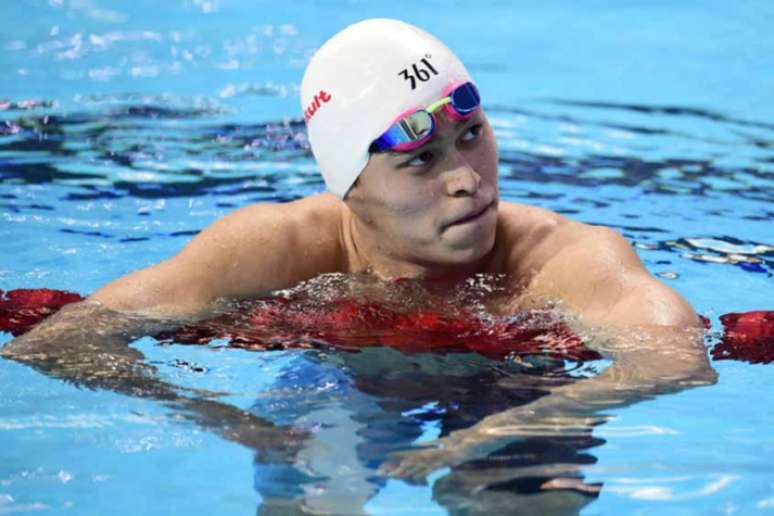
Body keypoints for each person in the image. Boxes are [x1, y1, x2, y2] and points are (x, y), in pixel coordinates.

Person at [2, 17, 716, 506]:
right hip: (346, 376)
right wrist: (224, 419)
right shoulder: (276, 247)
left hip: (516, 385)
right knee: (309, 486)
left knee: (522, 498)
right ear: (349, 183)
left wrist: (496, 432)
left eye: (472, 135)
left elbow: (676, 358)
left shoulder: (560, 257)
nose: (466, 176)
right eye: (422, 160)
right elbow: (63, 340)